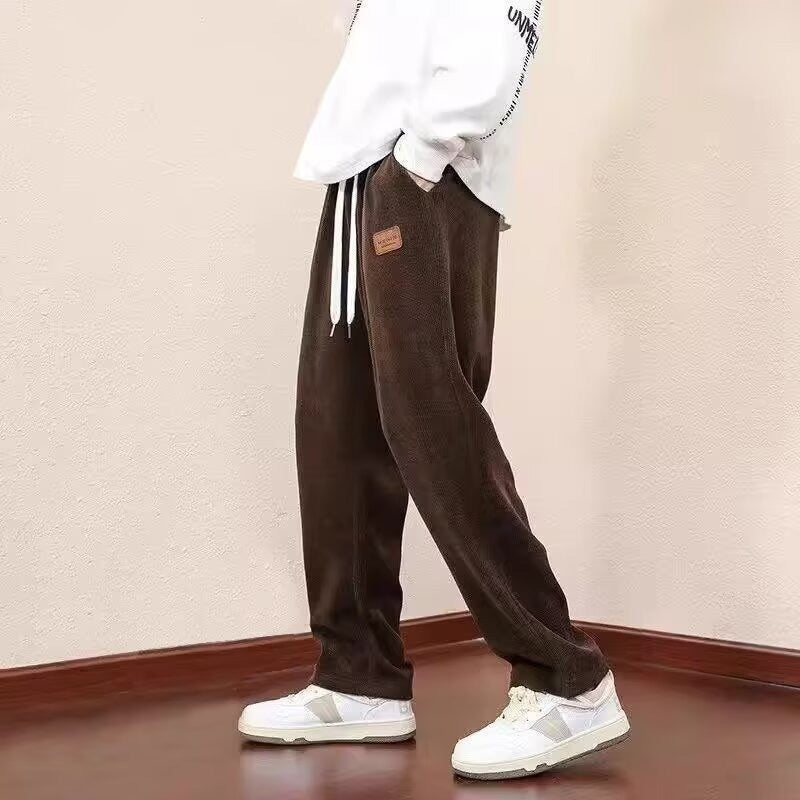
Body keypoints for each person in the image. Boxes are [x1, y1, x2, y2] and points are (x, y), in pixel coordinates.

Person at [238, 0, 630, 780]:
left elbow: (495, 34)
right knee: (337, 426)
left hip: (423, 175)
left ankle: (565, 675)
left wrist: (417, 159)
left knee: (432, 423)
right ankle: (358, 673)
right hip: (365, 175)